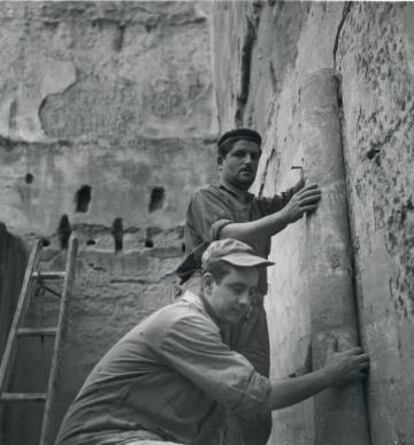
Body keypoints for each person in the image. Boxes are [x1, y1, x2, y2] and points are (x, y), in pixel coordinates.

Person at [55, 239, 369, 445]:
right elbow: (257, 397)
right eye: (236, 288)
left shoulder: (205, 327)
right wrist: (329, 376)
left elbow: (239, 395)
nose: (247, 301)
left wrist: (301, 375)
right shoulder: (185, 322)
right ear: (207, 282)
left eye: (252, 292)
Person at [176, 128, 322, 444]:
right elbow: (229, 234)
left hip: (252, 306)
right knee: (215, 394)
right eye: (240, 154)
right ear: (220, 161)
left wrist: (305, 182)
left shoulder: (255, 204)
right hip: (215, 303)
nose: (249, 161)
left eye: (254, 156)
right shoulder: (206, 197)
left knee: (255, 397)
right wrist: (286, 216)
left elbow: (284, 201)